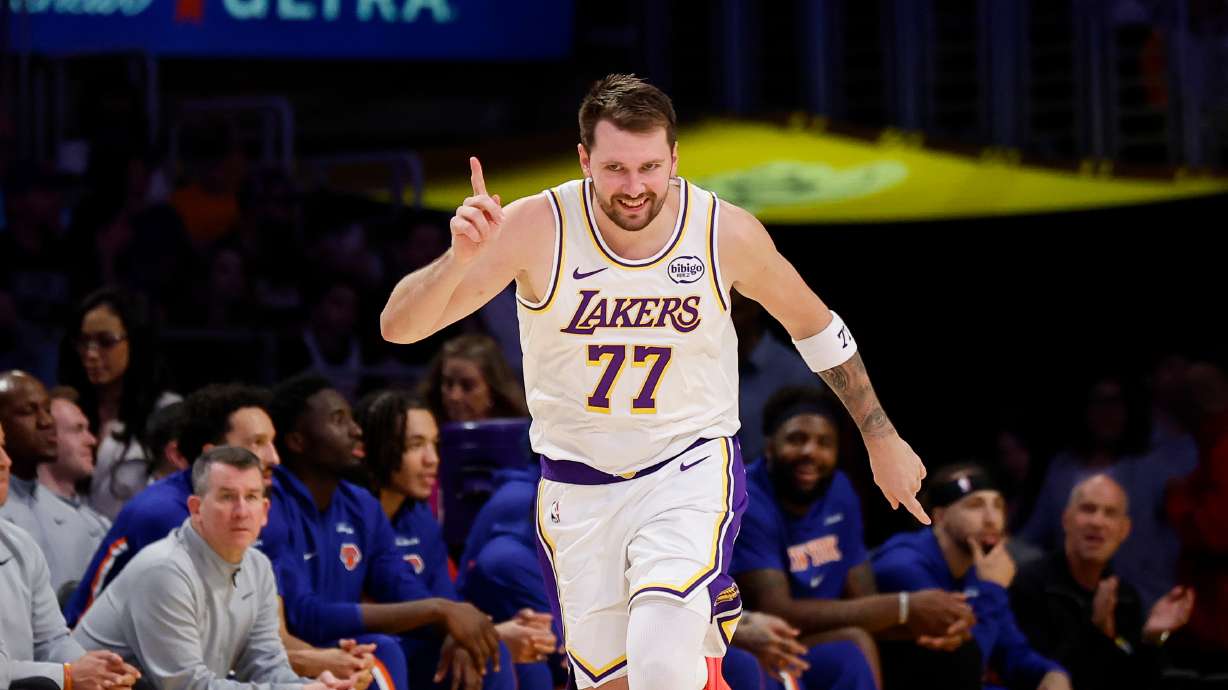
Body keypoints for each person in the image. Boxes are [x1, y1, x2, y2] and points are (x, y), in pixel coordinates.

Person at [380, 73, 929, 690]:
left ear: (674, 158)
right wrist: (458, 258)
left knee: (661, 659)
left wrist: (880, 436)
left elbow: (817, 327)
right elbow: (398, 328)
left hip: (686, 468)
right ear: (584, 159)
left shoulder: (721, 230)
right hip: (577, 485)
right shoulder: (536, 227)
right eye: (615, 168)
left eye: (649, 167)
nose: (635, 187)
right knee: (619, 680)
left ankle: (693, 631)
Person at [262, 374, 510, 690]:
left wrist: (453, 625)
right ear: (297, 440)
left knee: (481, 647)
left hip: (351, 644)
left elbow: (398, 584)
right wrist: (439, 611)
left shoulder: (361, 504)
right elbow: (305, 616)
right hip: (296, 656)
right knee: (384, 651)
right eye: (338, 420)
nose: (356, 430)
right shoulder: (271, 505)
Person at [732, 388, 974, 690]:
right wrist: (905, 606)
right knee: (852, 645)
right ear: (770, 445)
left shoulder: (840, 490)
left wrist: (934, 621)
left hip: (819, 638)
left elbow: (863, 600)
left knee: (948, 648)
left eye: (824, 443)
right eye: (796, 439)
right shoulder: (748, 495)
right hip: (761, 640)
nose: (810, 452)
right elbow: (777, 610)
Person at [73, 446, 351, 690]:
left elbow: (264, 664)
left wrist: (312, 686)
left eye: (251, 497)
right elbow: (188, 686)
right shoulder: (165, 570)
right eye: (227, 497)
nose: (241, 511)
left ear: (265, 511)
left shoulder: (258, 567)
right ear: (196, 509)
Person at [358, 389, 555, 689]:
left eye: (435, 444)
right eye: (415, 445)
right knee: (490, 650)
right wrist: (488, 633)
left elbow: (446, 602)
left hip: (419, 644)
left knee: (520, 663)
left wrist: (473, 633)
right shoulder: (352, 514)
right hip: (372, 647)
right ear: (378, 447)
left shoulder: (419, 517)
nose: (432, 460)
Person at [872, 464, 1071, 690]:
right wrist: (993, 588)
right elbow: (960, 669)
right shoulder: (903, 567)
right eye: (975, 506)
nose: (991, 519)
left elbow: (1012, 650)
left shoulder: (981, 567)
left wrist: (1050, 673)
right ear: (940, 516)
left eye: (998, 506)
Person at [1010, 473, 1194, 690]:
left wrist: (1152, 638)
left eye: (1110, 513)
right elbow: (1036, 675)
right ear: (1066, 519)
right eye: (1088, 509)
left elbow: (1137, 681)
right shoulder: (1029, 585)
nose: (1097, 522)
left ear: (1124, 530)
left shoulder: (1125, 597)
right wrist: (1095, 630)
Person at [0, 419, 143, 690]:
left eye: (3, 446)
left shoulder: (20, 544)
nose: (5, 461)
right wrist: (66, 676)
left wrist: (98, 673)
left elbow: (52, 639)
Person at [57, 287, 179, 519]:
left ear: (136, 342)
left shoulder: (167, 412)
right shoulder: (67, 408)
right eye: (83, 341)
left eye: (106, 341)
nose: (91, 354)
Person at [37, 389, 112, 599]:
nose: (92, 440)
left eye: (88, 429)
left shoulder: (99, 520)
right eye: (77, 429)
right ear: (48, 437)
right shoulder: (21, 517)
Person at [421, 333, 528, 425]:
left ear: (492, 390)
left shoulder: (526, 435)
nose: (454, 397)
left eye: (467, 386)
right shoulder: (424, 432)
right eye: (448, 384)